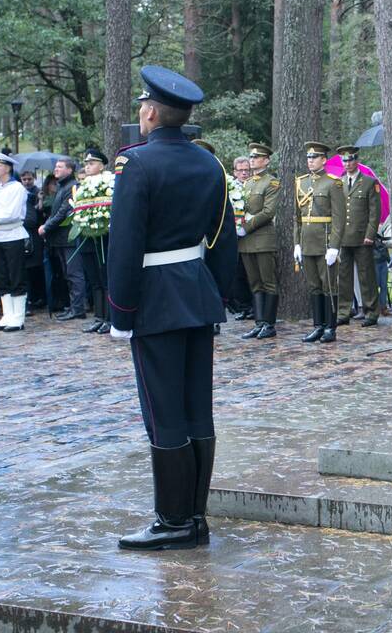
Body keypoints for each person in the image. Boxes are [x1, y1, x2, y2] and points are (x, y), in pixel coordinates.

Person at [108, 65, 238, 551]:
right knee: (195, 409)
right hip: (197, 295)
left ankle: (173, 521)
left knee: (163, 413)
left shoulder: (136, 165)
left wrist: (121, 311)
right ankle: (195, 517)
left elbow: (125, 245)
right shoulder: (211, 165)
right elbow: (223, 241)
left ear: (150, 113)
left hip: (155, 299)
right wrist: (216, 297)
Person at [294, 141, 345, 343]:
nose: (310, 161)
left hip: (325, 242)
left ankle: (330, 328)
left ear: (324, 160)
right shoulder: (301, 182)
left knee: (328, 286)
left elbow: (339, 219)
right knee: (314, 285)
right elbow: (296, 217)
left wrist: (334, 246)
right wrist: (296, 243)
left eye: (314, 157)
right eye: (308, 157)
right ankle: (318, 326)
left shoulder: (333, 183)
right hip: (307, 242)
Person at [334, 146, 382, 328]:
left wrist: (370, 234)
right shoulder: (339, 182)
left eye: (350, 159)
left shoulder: (369, 182)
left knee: (366, 276)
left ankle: (371, 312)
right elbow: (337, 211)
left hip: (362, 237)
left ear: (357, 160)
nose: (347, 163)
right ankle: (344, 311)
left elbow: (374, 213)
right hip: (344, 238)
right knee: (343, 276)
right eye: (344, 160)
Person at [237, 143, 281, 340]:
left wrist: (245, 226)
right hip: (246, 242)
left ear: (266, 160)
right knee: (254, 283)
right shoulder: (246, 184)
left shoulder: (271, 183)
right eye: (251, 157)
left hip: (263, 239)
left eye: (257, 157)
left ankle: (269, 324)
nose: (252, 160)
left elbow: (268, 212)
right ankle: (259, 322)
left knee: (268, 282)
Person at [0, 150, 29, 331]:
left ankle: (18, 316)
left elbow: (11, 214)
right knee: (1, 276)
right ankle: (7, 314)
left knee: (15, 275)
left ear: (8, 168)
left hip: (13, 235)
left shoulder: (17, 188)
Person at [76, 149, 112, 334]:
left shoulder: (109, 182)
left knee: (105, 277)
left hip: (103, 237)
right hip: (87, 238)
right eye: (86, 164)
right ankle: (99, 316)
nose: (87, 166)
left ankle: (110, 318)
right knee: (94, 279)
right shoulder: (82, 185)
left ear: (102, 165)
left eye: (91, 163)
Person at [39, 158, 81, 319]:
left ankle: (78, 308)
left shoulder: (72, 186)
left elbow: (63, 212)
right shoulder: (62, 186)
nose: (55, 169)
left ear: (69, 170)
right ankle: (72, 306)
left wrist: (46, 227)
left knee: (74, 274)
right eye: (56, 166)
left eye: (60, 167)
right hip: (60, 238)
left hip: (69, 237)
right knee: (66, 274)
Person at [228, 155, 254, 321]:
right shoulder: (230, 188)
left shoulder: (253, 186)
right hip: (234, 234)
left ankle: (253, 306)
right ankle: (243, 306)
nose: (244, 173)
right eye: (241, 170)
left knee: (251, 271)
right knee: (238, 272)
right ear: (235, 172)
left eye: (247, 170)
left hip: (252, 232)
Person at [19, 170, 47, 310]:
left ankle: (40, 296)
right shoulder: (19, 192)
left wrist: (40, 199)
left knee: (37, 268)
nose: (27, 182)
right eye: (24, 179)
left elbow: (39, 212)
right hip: (25, 234)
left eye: (29, 179)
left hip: (35, 233)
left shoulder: (38, 192)